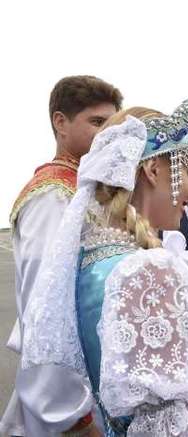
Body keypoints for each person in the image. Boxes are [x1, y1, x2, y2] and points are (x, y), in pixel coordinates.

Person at [19, 101, 188, 436]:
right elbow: (173, 425)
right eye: (184, 173)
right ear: (152, 170)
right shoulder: (146, 269)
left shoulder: (89, 261)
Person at [1, 75, 122, 437]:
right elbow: (43, 308)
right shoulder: (53, 195)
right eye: (97, 122)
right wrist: (72, 417)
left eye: (113, 125)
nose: (108, 135)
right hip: (71, 400)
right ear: (61, 122)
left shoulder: (90, 191)